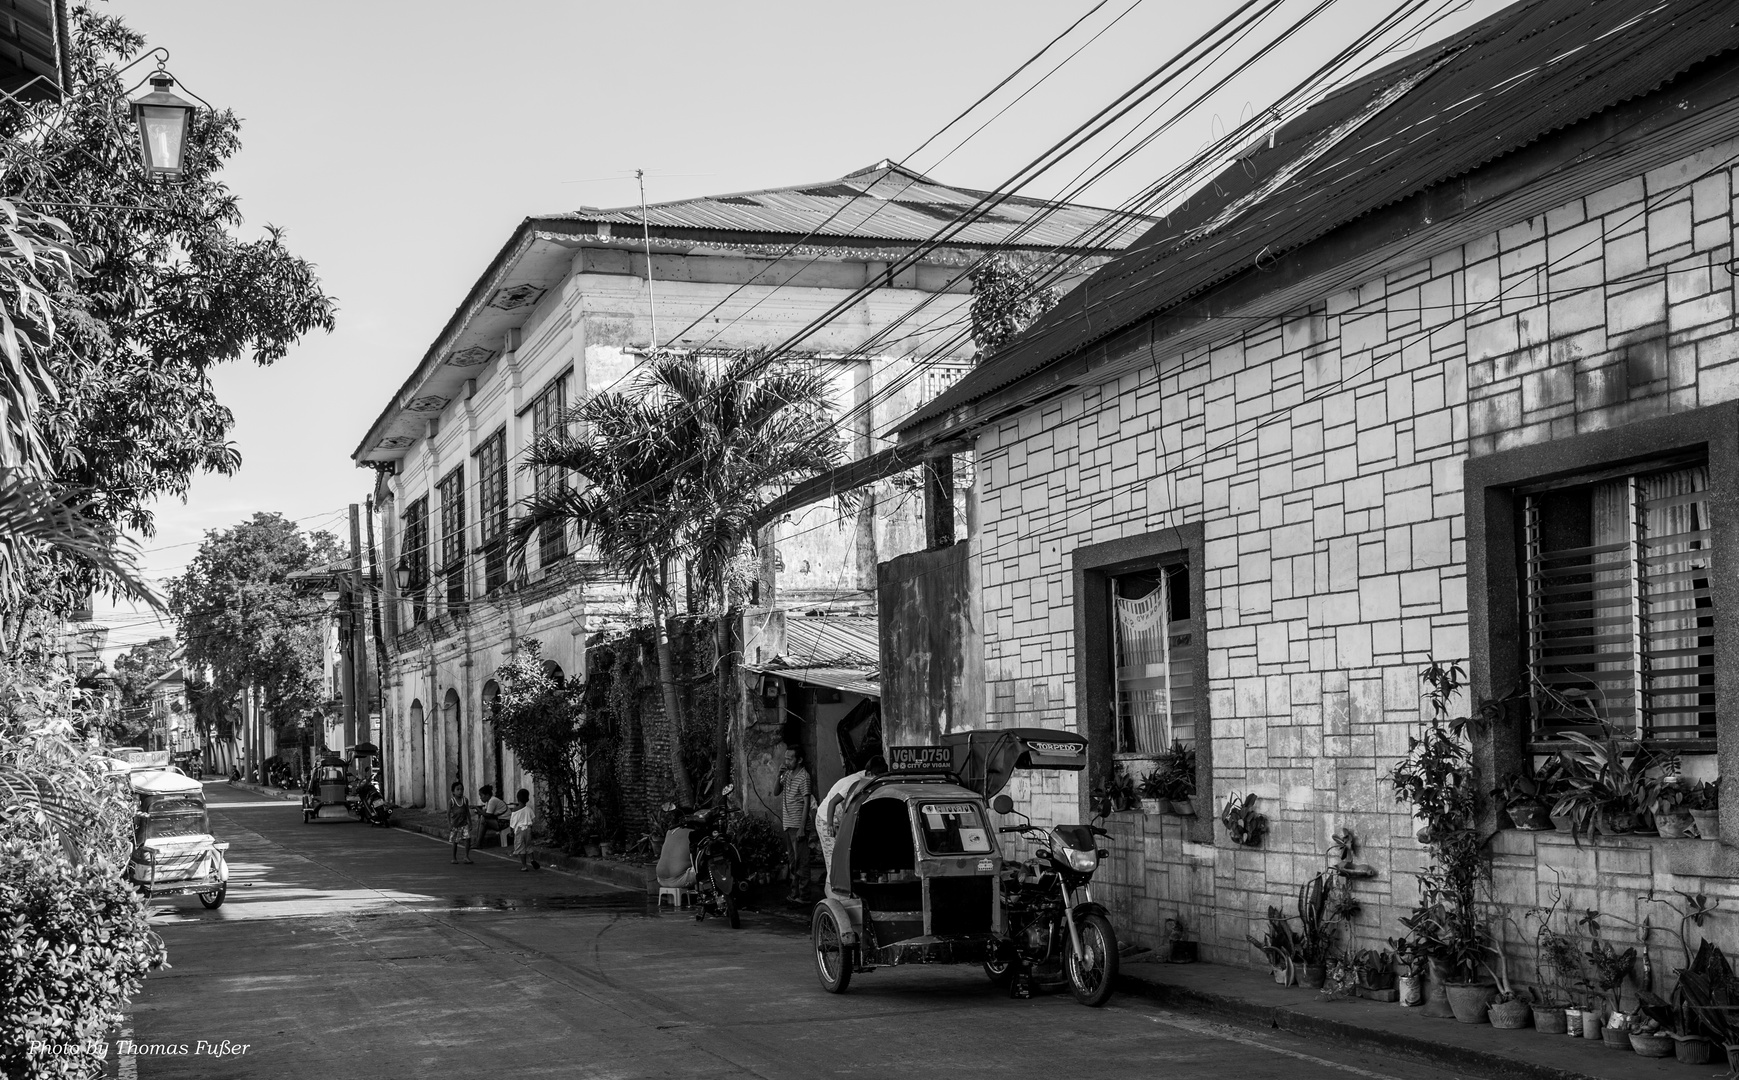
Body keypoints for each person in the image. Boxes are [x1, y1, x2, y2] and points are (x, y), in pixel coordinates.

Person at [815, 754, 888, 874]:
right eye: (876, 778)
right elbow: (832, 803)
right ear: (869, 774)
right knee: (833, 861)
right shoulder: (855, 782)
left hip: (840, 820)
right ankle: (832, 888)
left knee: (843, 859)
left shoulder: (867, 778)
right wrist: (829, 825)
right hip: (826, 818)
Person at [774, 744, 814, 903]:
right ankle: (795, 893)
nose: (787, 761)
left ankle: (804, 896)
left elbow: (807, 803)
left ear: (800, 760)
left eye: (790, 759)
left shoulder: (804, 777)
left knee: (802, 862)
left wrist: (802, 828)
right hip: (789, 825)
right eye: (786, 758)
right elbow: (776, 792)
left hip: (798, 826)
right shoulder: (787, 775)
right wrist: (778, 776)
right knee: (793, 862)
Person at [509, 788, 539, 871]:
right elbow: (532, 820)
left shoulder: (514, 810)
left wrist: (511, 831)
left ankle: (524, 866)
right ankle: (532, 860)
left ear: (517, 798)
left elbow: (512, 823)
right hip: (528, 829)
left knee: (521, 848)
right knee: (528, 846)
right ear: (527, 799)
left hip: (519, 830)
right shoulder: (529, 809)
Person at [447, 781, 473, 864]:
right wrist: (449, 824)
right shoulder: (451, 801)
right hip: (455, 825)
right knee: (455, 841)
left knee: (467, 839)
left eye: (461, 789)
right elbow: (448, 813)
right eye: (457, 789)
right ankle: (454, 857)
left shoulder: (465, 800)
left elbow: (467, 812)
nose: (460, 791)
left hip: (464, 824)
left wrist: (470, 822)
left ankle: (466, 856)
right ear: (453, 792)